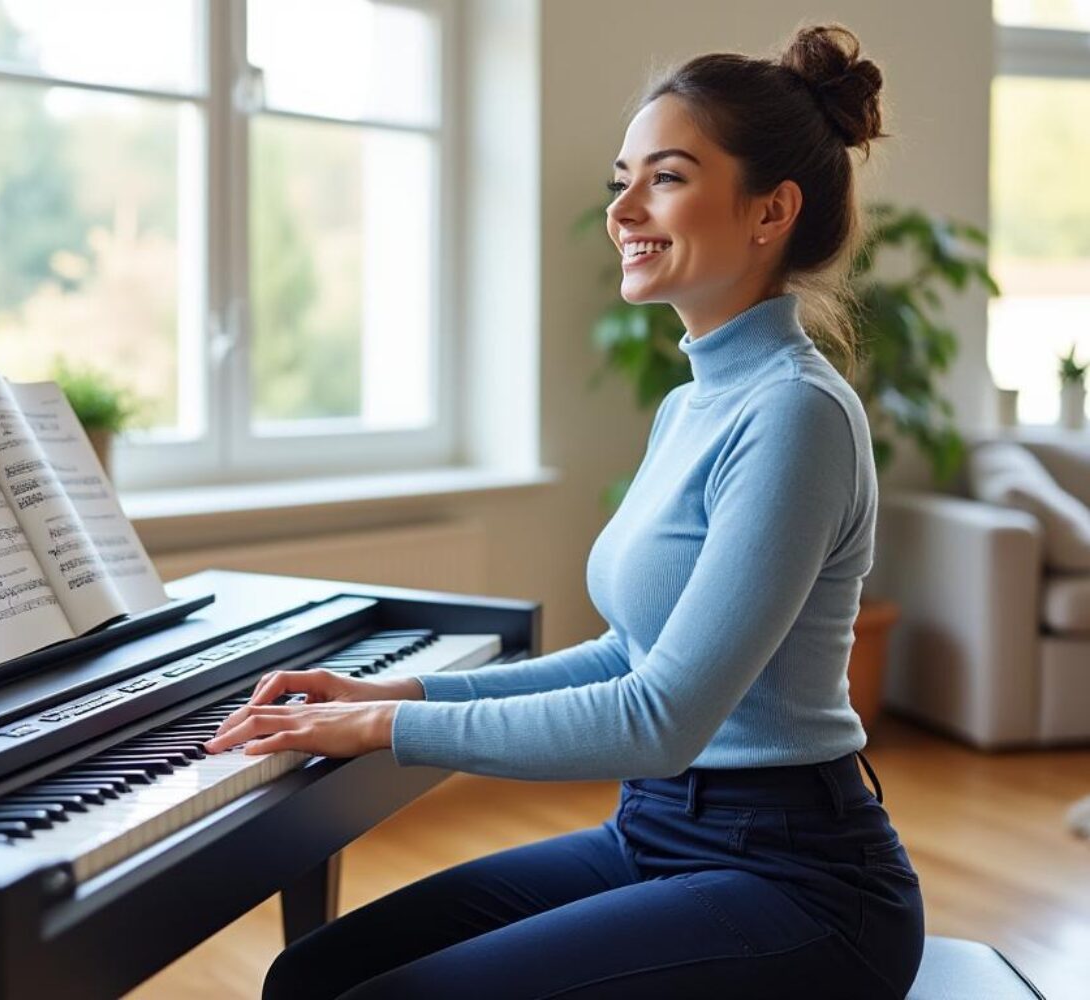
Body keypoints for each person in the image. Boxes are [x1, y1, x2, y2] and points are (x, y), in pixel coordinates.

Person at [205, 23, 925, 1000]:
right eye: (621, 180)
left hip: (798, 880)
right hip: (655, 832)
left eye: (665, 178)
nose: (622, 209)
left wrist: (382, 728)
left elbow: (658, 718)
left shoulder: (796, 413)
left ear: (771, 210)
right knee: (310, 975)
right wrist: (400, 694)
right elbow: (632, 654)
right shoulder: (690, 407)